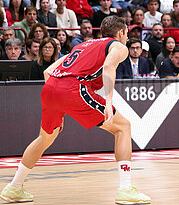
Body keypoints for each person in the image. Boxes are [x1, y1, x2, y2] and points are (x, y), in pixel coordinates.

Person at [0, 16, 151, 204]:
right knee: (123, 127)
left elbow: (48, 72)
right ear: (120, 33)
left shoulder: (82, 46)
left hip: (51, 88)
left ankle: (14, 187)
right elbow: (109, 66)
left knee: (44, 138)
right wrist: (108, 102)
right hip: (74, 88)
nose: (127, 38)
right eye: (127, 34)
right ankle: (125, 189)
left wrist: (60, 106)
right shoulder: (119, 47)